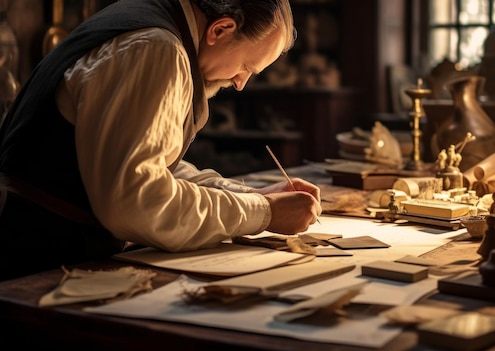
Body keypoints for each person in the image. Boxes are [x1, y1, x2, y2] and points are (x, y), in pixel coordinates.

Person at [0, 0, 322, 281]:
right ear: (220, 29)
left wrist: (253, 195)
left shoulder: (154, 25)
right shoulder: (156, 49)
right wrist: (261, 212)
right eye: (246, 66)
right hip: (36, 264)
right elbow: (137, 200)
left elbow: (151, 161)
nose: (240, 83)